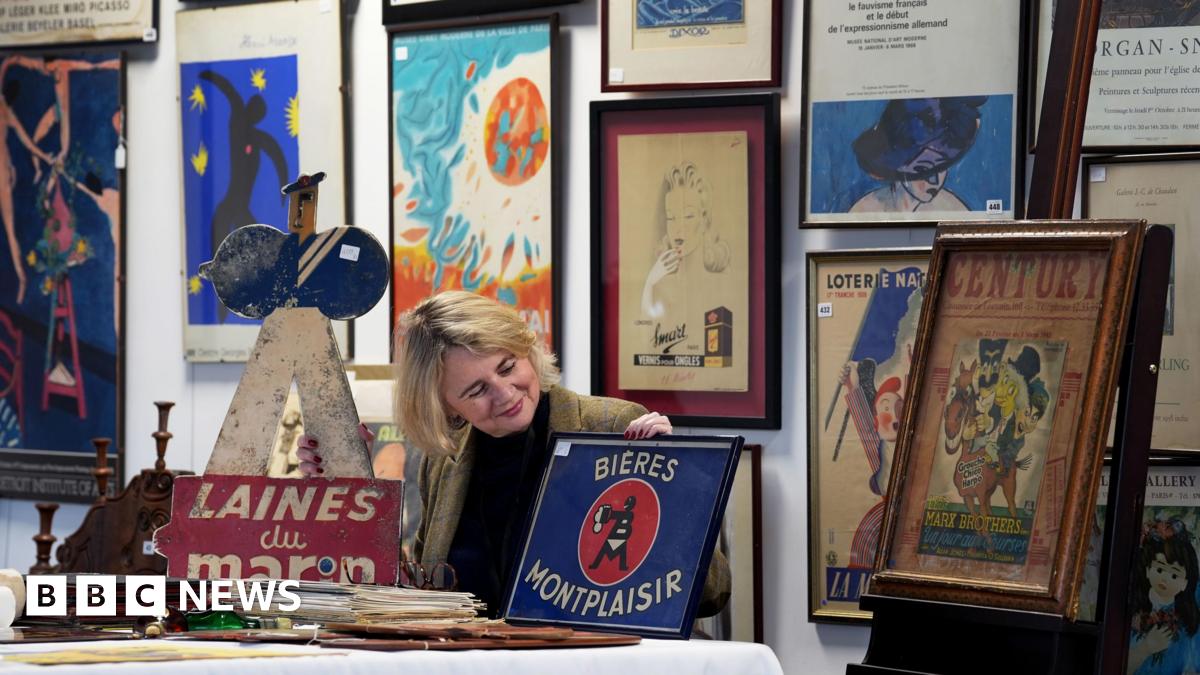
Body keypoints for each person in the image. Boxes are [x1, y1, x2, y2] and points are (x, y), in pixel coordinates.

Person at [300, 291, 730, 617]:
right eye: (476, 390)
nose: (505, 393)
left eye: (507, 367)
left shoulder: (611, 425)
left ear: (527, 349)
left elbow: (713, 593)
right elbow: (417, 598)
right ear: (447, 407)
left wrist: (674, 486)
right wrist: (349, 490)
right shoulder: (443, 463)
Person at [848, 97, 986, 214]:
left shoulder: (955, 210)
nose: (935, 181)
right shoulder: (863, 211)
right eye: (922, 169)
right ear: (898, 165)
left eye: (942, 167)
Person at [1128, 517, 1200, 674]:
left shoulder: (1189, 614)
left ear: (1185, 583)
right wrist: (1145, 648)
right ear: (1148, 570)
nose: (1165, 579)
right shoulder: (1133, 607)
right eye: (1159, 569)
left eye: (1174, 575)